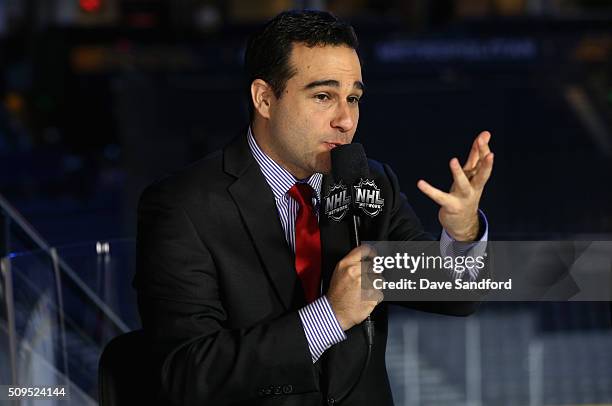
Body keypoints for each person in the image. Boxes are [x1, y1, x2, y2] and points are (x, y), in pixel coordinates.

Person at [134, 10, 494, 406]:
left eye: (353, 98)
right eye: (323, 96)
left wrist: (463, 232)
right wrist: (330, 317)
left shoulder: (370, 183)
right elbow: (186, 375)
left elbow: (457, 294)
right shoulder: (183, 206)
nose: (346, 120)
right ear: (265, 98)